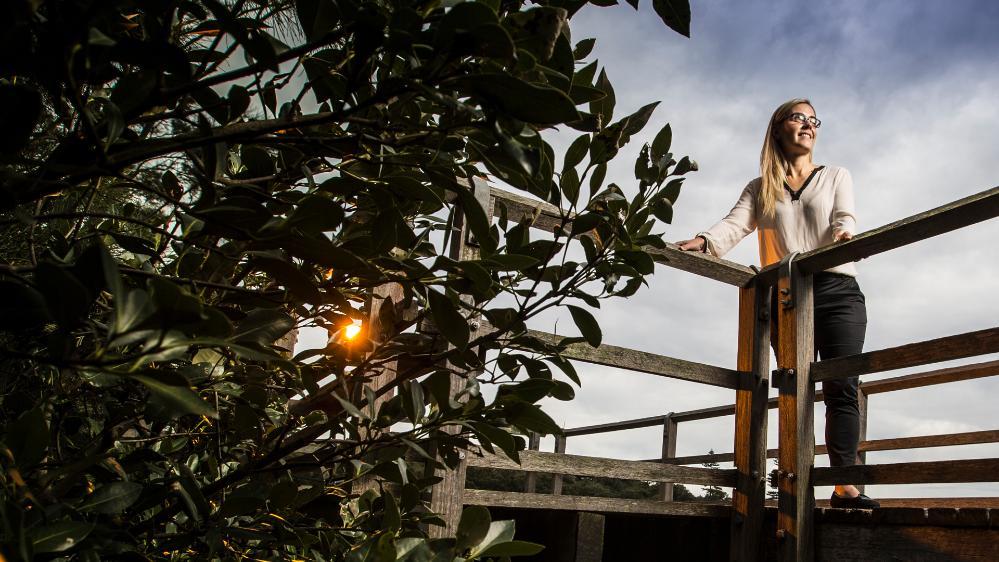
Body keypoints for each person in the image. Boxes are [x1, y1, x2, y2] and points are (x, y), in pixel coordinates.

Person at [676, 98, 879, 509]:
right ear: (778, 128)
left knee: (843, 386)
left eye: (813, 119)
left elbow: (845, 217)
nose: (808, 125)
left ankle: (844, 485)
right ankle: (792, 483)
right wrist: (702, 242)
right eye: (798, 117)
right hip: (787, 295)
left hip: (839, 289)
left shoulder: (836, 174)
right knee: (794, 389)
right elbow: (733, 226)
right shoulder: (760, 187)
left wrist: (844, 237)